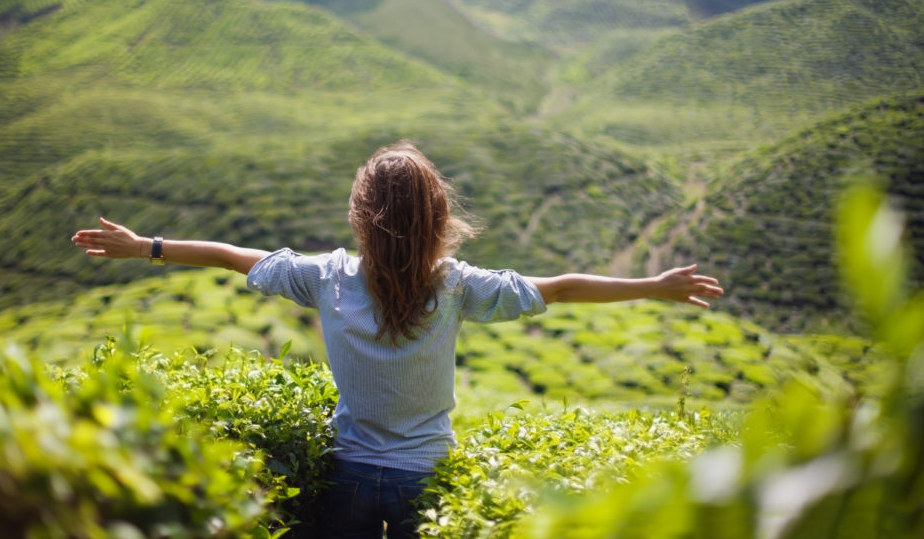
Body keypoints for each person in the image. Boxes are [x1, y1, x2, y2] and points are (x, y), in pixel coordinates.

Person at [71, 140, 723, 538]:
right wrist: (653, 285)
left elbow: (230, 256)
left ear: (360, 218)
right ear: (438, 217)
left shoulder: (325, 278)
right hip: (428, 476)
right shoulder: (457, 286)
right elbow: (562, 287)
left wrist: (146, 247)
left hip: (349, 471)